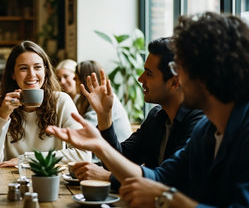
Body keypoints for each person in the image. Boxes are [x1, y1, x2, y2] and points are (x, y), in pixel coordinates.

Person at [46, 12, 249, 207]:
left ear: (209, 73)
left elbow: (162, 189)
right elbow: (160, 178)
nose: (178, 78)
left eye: (180, 68)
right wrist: (99, 145)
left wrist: (168, 199)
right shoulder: (209, 129)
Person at [71, 38, 203, 191]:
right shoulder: (156, 117)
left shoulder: (198, 122)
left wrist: (108, 178)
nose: (140, 79)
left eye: (148, 73)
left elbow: (169, 181)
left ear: (174, 82)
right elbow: (118, 160)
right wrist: (105, 116)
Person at [0, 41, 90, 167]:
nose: (32, 74)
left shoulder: (61, 101)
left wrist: (25, 160)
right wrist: (3, 115)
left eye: (37, 67)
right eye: (23, 68)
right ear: (13, 74)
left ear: (45, 71)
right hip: (10, 181)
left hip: (51, 180)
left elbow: (83, 154)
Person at [74, 60, 132, 142]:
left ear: (84, 80)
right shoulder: (80, 100)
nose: (74, 81)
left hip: (120, 150)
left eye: (75, 78)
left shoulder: (104, 99)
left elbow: (84, 131)